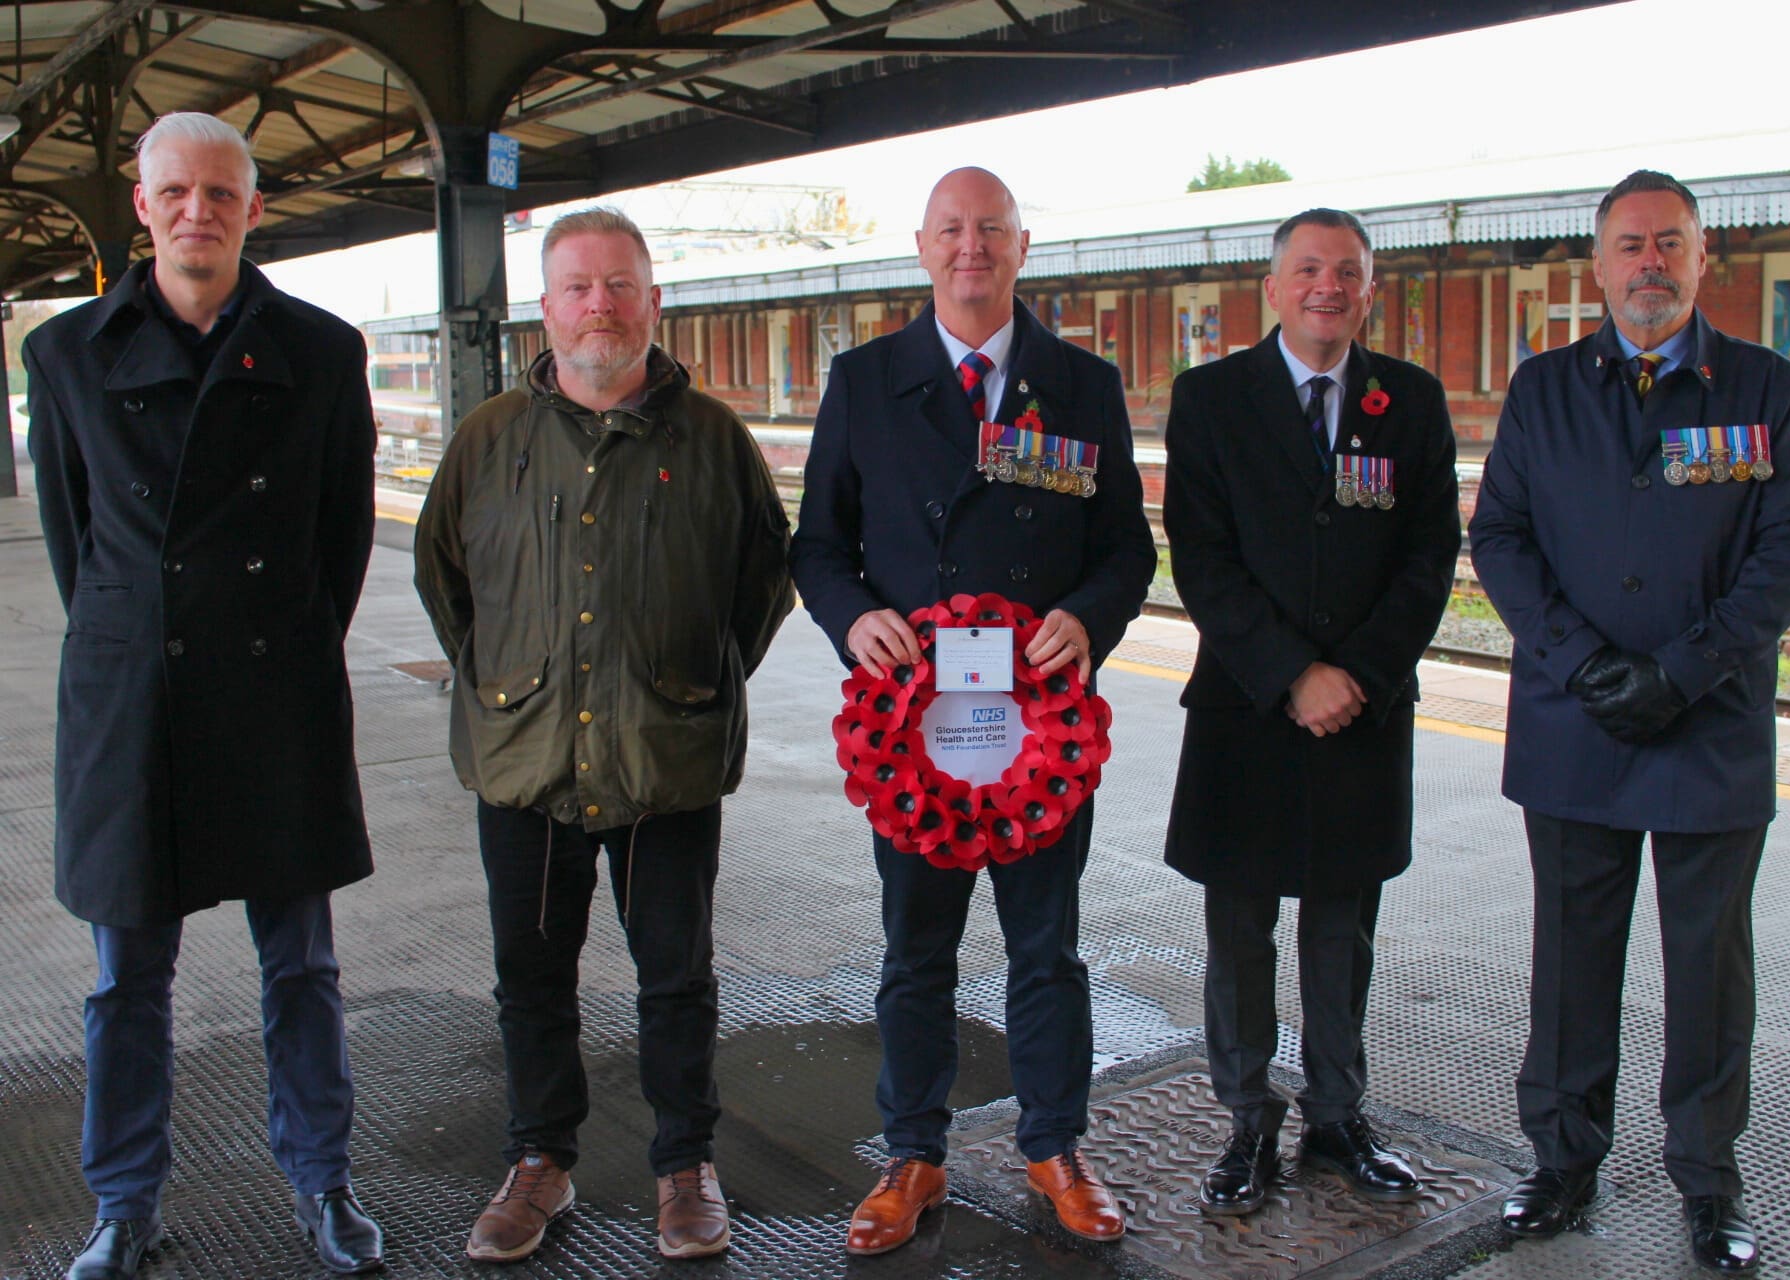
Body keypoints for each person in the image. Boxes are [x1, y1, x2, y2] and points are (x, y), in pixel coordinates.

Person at [24, 112, 383, 1279]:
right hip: (134, 703)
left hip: (275, 691)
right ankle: (123, 1200)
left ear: (252, 208)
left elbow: (339, 537)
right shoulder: (69, 353)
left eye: (221, 194)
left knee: (304, 967)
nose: (198, 212)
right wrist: (145, 639)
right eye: (175, 192)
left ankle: (323, 1182)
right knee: (128, 975)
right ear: (142, 204)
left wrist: (274, 643)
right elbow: (79, 548)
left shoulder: (323, 351)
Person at [414, 207, 793, 1264]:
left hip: (662, 768)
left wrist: (690, 686)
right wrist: (502, 685)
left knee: (677, 976)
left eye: (620, 284)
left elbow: (763, 580)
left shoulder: (712, 438)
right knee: (530, 978)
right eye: (578, 286)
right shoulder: (489, 438)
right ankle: (540, 1157)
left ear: (653, 299)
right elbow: (442, 571)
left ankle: (685, 1163)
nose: (600, 304)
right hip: (522, 765)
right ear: (546, 308)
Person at [790, 166, 1155, 1255]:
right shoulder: (864, 381)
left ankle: (1054, 1145)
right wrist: (856, 621)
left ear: (1022, 245)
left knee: (1047, 949)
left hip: (1038, 731)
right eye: (951, 230)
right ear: (921, 246)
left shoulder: (1081, 385)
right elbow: (817, 546)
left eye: (989, 229)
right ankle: (913, 1152)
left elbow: (1127, 547)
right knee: (916, 951)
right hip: (916, 735)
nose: (970, 248)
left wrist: (1085, 620)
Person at [1469, 170, 1790, 1274]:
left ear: (1702, 256)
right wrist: (1584, 667)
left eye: (1668, 243)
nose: (1648, 265)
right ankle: (1563, 1160)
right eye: (1629, 245)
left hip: (1706, 728)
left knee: (1706, 967)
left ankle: (1708, 1180)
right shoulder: (1541, 389)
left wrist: (1680, 672)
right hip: (1575, 725)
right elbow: (1502, 542)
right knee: (1572, 962)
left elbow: (1789, 550)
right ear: (1597, 263)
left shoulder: (1764, 388)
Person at [1160, 208, 1459, 1217]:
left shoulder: (1409, 401)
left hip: (1363, 714)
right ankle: (1247, 1116)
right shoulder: (1209, 398)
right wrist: (1293, 671)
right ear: (1273, 287)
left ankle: (1337, 1115)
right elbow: (1198, 554)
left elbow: (1429, 556)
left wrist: (1357, 673)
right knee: (1239, 925)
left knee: (1342, 925)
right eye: (1308, 268)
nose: (1327, 285)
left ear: (1368, 291)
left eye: (1348, 271)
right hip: (1248, 705)